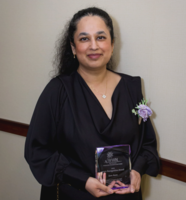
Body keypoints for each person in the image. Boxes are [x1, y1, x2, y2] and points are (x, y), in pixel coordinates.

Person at [25, 7, 160, 200]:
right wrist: (82, 180)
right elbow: (37, 150)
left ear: (112, 45)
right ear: (73, 48)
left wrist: (137, 171)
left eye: (101, 37)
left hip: (124, 195)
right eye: (84, 38)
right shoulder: (57, 91)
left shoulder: (131, 87)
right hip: (74, 194)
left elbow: (147, 144)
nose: (94, 46)